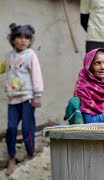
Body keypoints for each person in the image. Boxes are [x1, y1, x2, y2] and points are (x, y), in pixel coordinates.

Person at [0, 23, 44, 175]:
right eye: (19, 37)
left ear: (30, 40)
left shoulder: (31, 55)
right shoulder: (9, 56)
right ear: (12, 40)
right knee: (11, 129)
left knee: (27, 128)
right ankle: (12, 158)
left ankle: (30, 154)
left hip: (27, 98)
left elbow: (36, 75)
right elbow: (4, 68)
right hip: (13, 100)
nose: (23, 40)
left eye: (27, 37)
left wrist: (37, 95)